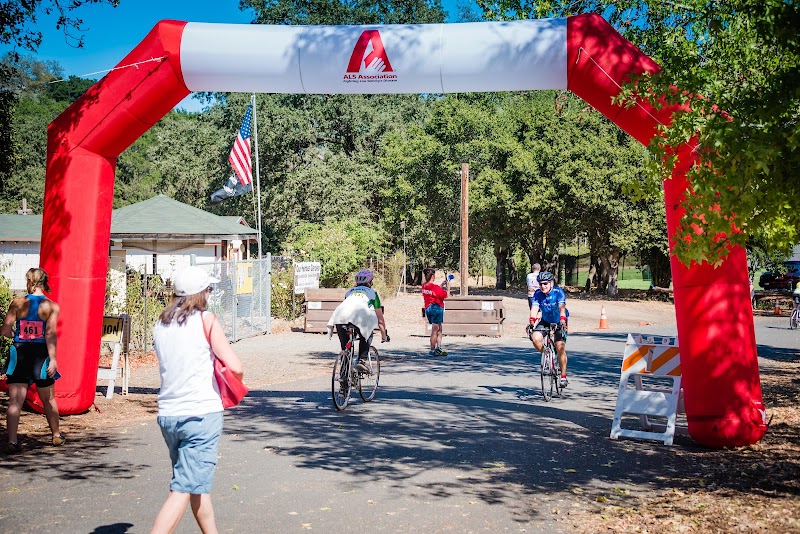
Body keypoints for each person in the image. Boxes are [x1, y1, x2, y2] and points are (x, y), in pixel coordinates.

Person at [151, 266, 244, 534]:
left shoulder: (161, 324)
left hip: (168, 415)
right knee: (182, 488)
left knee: (194, 485)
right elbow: (236, 367)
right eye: (209, 289)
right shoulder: (207, 321)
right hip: (201, 414)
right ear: (201, 293)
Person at [1, 268, 63, 453]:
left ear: (29, 282)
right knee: (48, 398)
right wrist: (53, 360)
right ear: (44, 283)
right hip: (40, 355)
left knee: (15, 401)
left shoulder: (17, 303)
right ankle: (56, 435)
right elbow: (50, 334)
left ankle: (12, 441)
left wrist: (15, 334)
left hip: (19, 353)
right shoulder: (52, 306)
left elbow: (5, 330)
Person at [327, 269, 388, 368]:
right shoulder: (373, 293)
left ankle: (344, 373)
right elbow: (380, 319)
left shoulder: (349, 292)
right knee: (367, 334)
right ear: (370, 282)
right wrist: (384, 335)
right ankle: (362, 360)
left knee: (345, 346)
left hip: (339, 317)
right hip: (360, 317)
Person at [527, 270, 570, 388]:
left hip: (559, 320)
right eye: (540, 283)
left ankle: (563, 377)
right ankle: (547, 354)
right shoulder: (537, 294)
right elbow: (535, 308)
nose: (542, 286)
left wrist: (562, 320)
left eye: (545, 283)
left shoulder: (558, 292)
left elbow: (562, 307)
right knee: (535, 338)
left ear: (551, 283)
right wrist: (531, 322)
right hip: (545, 320)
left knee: (560, 346)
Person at [421, 267, 449, 356]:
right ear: (433, 276)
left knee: (439, 328)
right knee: (435, 330)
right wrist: (448, 286)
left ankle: (438, 347)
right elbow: (446, 295)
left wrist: (441, 285)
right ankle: (432, 350)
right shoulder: (435, 287)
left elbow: (433, 292)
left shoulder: (424, 286)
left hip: (428, 308)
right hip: (436, 308)